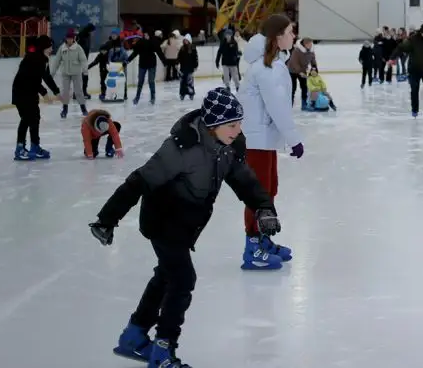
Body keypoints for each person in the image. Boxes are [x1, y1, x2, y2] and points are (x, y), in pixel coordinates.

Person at [89, 88, 280, 368]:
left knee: (166, 276)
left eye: (239, 123)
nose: (238, 130)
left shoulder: (230, 146)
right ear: (213, 124)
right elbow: (139, 181)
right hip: (163, 220)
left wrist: (263, 207)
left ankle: (134, 336)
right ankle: (163, 350)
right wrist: (107, 219)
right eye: (231, 125)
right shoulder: (180, 148)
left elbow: (244, 180)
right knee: (182, 280)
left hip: (188, 222)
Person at [237, 13, 302, 270]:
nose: (293, 36)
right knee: (258, 194)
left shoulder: (274, 64)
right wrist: (294, 140)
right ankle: (252, 248)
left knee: (268, 190)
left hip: (264, 139)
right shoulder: (266, 69)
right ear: (278, 37)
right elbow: (278, 108)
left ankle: (262, 239)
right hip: (257, 141)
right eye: (290, 31)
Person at [13, 35, 58, 161]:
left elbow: (46, 76)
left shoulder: (43, 58)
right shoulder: (34, 58)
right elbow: (32, 79)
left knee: (35, 118)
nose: (51, 49)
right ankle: (19, 148)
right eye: (49, 46)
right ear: (44, 47)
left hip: (30, 92)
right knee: (26, 119)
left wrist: (56, 91)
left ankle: (35, 146)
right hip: (21, 92)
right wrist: (44, 93)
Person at [52, 28, 89, 119]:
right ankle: (65, 109)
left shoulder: (78, 48)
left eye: (71, 38)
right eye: (68, 38)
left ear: (74, 39)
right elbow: (57, 61)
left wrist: (85, 70)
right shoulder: (62, 48)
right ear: (66, 39)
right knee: (65, 92)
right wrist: (52, 73)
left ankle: (83, 109)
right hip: (65, 73)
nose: (69, 40)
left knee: (78, 91)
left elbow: (83, 60)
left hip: (76, 73)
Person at [126, 31, 161, 104]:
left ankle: (152, 97)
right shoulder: (140, 43)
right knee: (140, 81)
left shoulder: (153, 42)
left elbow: (157, 50)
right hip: (142, 64)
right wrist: (127, 61)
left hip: (151, 64)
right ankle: (137, 97)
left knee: (151, 81)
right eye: (145, 35)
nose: (146, 36)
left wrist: (165, 62)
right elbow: (134, 53)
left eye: (147, 35)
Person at [287, 37, 318, 109]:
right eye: (308, 44)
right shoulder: (297, 51)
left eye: (311, 44)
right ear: (304, 44)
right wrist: (300, 72)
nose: (310, 45)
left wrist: (314, 68)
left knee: (304, 88)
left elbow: (313, 60)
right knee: (292, 88)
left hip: (303, 71)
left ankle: (304, 104)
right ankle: (289, 104)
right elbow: (294, 62)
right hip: (292, 71)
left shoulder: (311, 51)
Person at [214, 26, 242, 91]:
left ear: (231, 35)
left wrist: (237, 55)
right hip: (225, 62)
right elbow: (219, 52)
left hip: (233, 63)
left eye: (229, 35)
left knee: (235, 76)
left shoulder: (234, 43)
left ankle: (237, 86)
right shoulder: (223, 43)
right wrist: (217, 61)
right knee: (226, 76)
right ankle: (227, 87)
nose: (227, 36)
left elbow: (236, 52)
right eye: (226, 35)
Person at [176, 35, 199, 101]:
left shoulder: (193, 48)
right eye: (184, 40)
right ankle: (182, 94)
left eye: (186, 40)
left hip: (190, 68)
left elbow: (195, 58)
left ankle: (191, 94)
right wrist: (177, 63)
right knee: (182, 82)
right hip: (183, 68)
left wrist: (195, 66)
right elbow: (179, 57)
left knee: (190, 82)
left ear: (189, 41)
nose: (185, 41)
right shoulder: (182, 48)